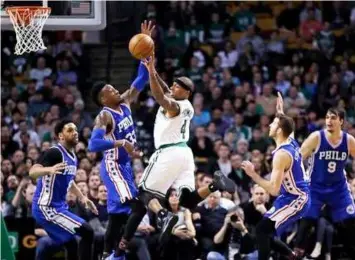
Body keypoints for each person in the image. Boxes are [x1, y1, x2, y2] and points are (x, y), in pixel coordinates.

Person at [115, 53, 235, 260]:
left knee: (143, 193)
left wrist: (152, 73)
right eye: (173, 85)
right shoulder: (183, 102)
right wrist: (152, 69)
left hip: (168, 152)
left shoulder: (177, 106)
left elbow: (159, 95)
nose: (173, 88)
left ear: (187, 92)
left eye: (177, 87)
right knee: (187, 200)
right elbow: (165, 89)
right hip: (184, 153)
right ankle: (215, 185)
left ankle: (162, 215)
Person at [88, 21, 154, 260]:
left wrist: (147, 48)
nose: (114, 89)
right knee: (139, 206)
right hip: (112, 166)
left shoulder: (125, 102)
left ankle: (107, 255)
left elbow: (141, 79)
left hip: (124, 167)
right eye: (108, 89)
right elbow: (92, 145)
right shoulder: (105, 115)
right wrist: (120, 143)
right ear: (102, 99)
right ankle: (119, 250)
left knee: (116, 217)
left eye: (112, 87)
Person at [241, 113, 310, 260]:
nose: (270, 125)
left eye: (273, 123)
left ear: (279, 130)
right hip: (289, 197)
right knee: (266, 233)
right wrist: (281, 112)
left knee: (262, 230)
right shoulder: (291, 142)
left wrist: (253, 174)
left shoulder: (281, 155)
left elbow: (273, 189)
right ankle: (293, 257)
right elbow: (289, 128)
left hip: (296, 198)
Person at [31, 120, 98, 260]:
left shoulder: (73, 157)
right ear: (60, 136)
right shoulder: (54, 152)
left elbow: (69, 180)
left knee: (71, 244)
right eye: (70, 130)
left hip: (59, 207)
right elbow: (33, 172)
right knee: (87, 231)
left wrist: (82, 197)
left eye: (75, 129)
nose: (75, 132)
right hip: (46, 208)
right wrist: (50, 169)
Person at [294, 107, 355, 258]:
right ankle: (296, 253)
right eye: (327, 117)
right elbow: (298, 158)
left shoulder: (349, 140)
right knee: (306, 222)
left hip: (339, 188)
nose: (329, 121)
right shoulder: (317, 137)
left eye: (333, 118)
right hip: (315, 187)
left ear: (341, 121)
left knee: (350, 223)